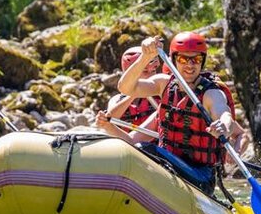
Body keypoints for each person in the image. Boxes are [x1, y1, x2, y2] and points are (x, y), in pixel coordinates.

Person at [111, 31, 244, 196]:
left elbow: (224, 114)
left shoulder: (211, 93)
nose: (190, 65)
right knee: (140, 151)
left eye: (196, 59)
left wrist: (224, 127)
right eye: (183, 59)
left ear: (202, 61)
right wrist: (145, 57)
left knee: (146, 149)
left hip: (201, 177)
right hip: (169, 166)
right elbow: (125, 88)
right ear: (173, 60)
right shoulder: (163, 84)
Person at [102, 46, 160, 142]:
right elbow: (110, 118)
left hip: (156, 147)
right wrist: (135, 92)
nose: (150, 75)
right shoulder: (117, 99)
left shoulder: (160, 94)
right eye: (145, 71)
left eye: (153, 70)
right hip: (127, 145)